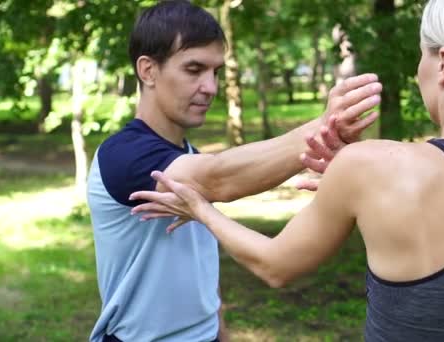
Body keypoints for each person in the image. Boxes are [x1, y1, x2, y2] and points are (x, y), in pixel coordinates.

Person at [130, 0, 444, 341]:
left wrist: (200, 208)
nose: (418, 70)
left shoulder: (371, 167)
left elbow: (276, 268)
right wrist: (360, 183)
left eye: (424, 55)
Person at [86, 1, 382, 341]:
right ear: (148, 71)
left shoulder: (186, 155)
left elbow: (195, 265)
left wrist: (219, 329)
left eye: (215, 72)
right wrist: (322, 128)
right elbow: (219, 177)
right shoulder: (124, 156)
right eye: (194, 69)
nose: (210, 87)